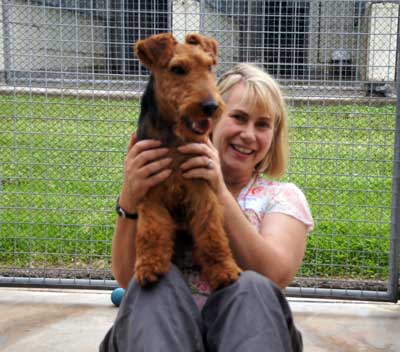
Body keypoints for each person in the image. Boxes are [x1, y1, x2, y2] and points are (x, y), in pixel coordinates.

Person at [100, 63, 314, 352]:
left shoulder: (282, 197)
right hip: (161, 334)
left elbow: (274, 276)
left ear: (273, 137)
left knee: (252, 287)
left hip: (246, 335)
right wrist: (130, 199)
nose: (249, 135)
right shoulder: (167, 185)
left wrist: (218, 191)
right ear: (207, 119)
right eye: (238, 118)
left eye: (262, 125)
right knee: (154, 285)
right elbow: (128, 278)